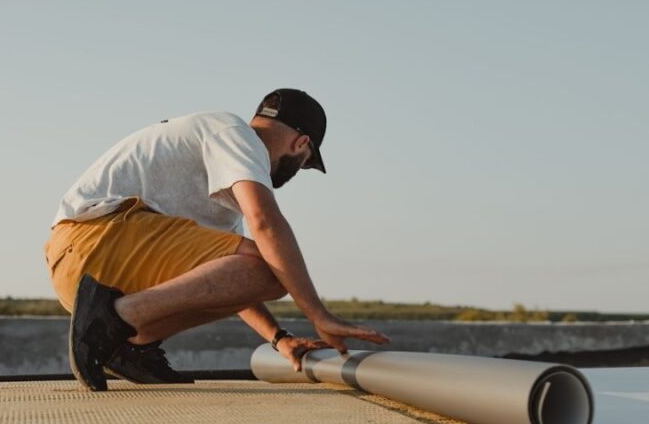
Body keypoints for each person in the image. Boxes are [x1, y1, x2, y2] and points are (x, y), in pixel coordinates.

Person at [44, 88, 390, 391]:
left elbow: (232, 282)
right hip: (94, 239)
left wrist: (279, 338)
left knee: (261, 268)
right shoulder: (235, 134)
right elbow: (267, 224)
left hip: (84, 261)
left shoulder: (223, 185)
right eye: (303, 163)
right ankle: (111, 321)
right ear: (301, 145)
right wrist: (319, 315)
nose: (297, 171)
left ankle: (127, 344)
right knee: (274, 265)